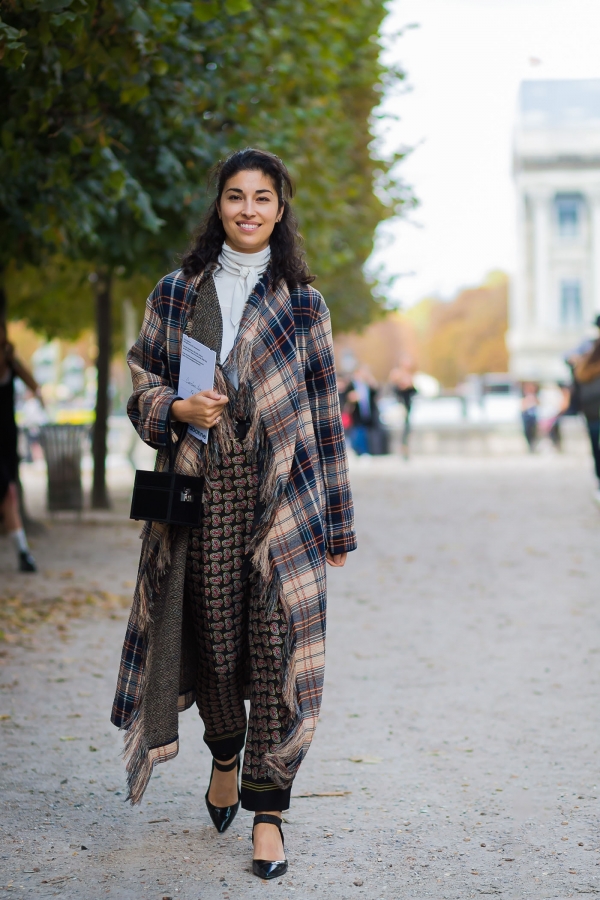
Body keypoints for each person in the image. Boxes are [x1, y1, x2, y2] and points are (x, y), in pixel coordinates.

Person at [111, 149, 356, 880]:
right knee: (217, 647)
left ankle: (269, 814)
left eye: (263, 197)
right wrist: (175, 407)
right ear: (218, 205)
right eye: (235, 196)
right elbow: (140, 383)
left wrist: (338, 523)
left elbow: (324, 416)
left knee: (276, 650)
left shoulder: (305, 304)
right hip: (201, 500)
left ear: (281, 210)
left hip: (286, 503)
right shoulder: (176, 293)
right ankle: (224, 749)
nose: (248, 208)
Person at [0, 321, 41, 572]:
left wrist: (38, 398)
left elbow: (33, 385)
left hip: (7, 440)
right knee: (9, 494)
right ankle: (23, 553)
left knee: (9, 494)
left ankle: (23, 553)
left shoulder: (11, 362)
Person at [568, 337, 600, 499]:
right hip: (593, 410)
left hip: (591, 411)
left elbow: (576, 386)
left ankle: (599, 481)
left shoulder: (585, 363)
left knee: (596, 447)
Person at [345, 364, 381, 455]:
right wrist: (351, 398)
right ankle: (360, 452)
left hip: (367, 414)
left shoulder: (367, 385)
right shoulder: (351, 385)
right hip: (356, 414)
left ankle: (366, 452)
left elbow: (376, 392)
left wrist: (370, 379)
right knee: (358, 433)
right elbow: (346, 397)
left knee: (366, 433)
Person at [389, 356, 417, 459]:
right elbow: (393, 389)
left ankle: (406, 449)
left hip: (408, 404)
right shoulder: (396, 374)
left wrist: (410, 386)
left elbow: (414, 391)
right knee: (402, 428)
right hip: (400, 404)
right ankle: (402, 449)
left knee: (407, 428)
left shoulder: (410, 376)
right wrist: (401, 385)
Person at [521, 382, 539, 453]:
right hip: (527, 418)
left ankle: (534, 446)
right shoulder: (524, 398)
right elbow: (522, 408)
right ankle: (530, 446)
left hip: (534, 418)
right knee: (528, 432)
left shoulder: (536, 397)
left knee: (535, 432)